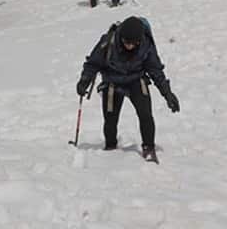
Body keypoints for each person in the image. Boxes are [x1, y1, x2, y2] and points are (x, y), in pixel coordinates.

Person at [75, 16, 179, 162]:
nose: (129, 46)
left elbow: (155, 71)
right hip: (112, 81)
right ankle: (110, 147)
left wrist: (167, 94)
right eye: (126, 42)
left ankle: (148, 147)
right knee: (110, 119)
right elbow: (93, 63)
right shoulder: (108, 41)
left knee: (145, 114)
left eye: (133, 43)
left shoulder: (146, 45)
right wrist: (84, 81)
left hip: (136, 80)